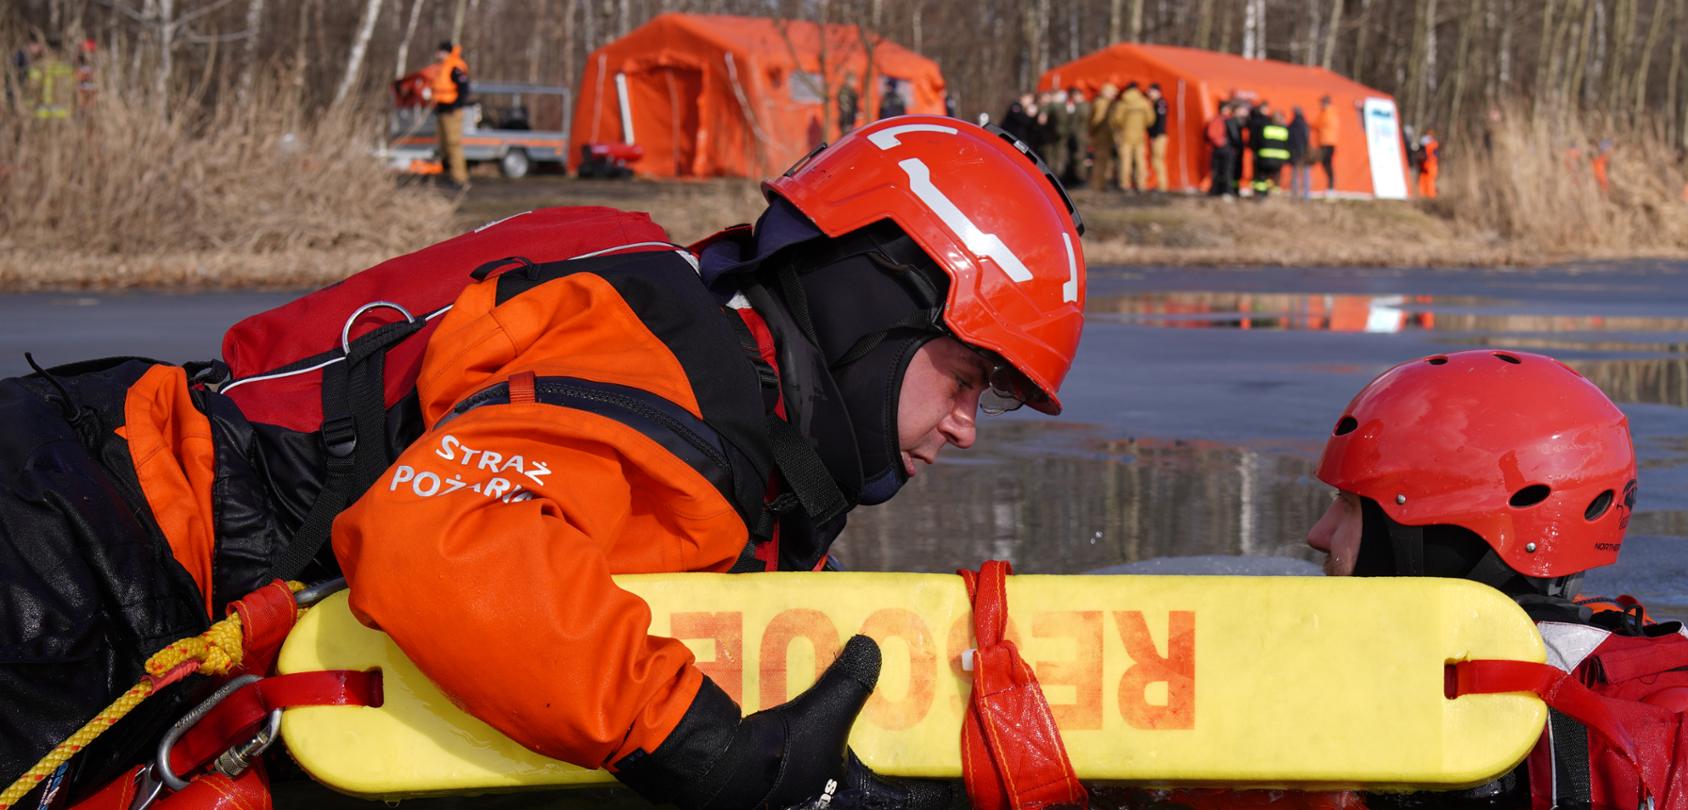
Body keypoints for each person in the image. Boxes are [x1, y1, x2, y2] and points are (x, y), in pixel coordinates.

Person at [0, 116, 1086, 810]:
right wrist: (703, 748)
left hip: (104, 515)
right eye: (967, 378)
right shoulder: (671, 370)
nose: (966, 427)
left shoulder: (725, 389)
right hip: (75, 546)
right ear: (873, 313)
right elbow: (437, 540)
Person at [1307, 349, 1688, 809]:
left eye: (1348, 505)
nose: (1319, 535)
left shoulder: (1467, 715)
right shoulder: (1614, 660)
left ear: (1443, 535)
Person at [424, 40, 472, 188]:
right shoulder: (441, 67)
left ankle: (460, 179)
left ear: (446, 52)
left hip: (451, 112)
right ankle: (448, 175)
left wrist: (454, 106)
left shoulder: (455, 67)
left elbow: (464, 89)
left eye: (440, 52)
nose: (438, 54)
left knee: (453, 145)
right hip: (442, 110)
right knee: (444, 146)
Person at [1112, 83, 1156, 192]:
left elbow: (1117, 120)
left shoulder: (1122, 103)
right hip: (1140, 136)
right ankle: (1141, 185)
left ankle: (1125, 184)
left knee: (1125, 161)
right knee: (1140, 161)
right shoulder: (1144, 103)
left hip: (1125, 136)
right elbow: (1150, 119)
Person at [25, 34, 75, 120]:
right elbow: (73, 91)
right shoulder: (68, 68)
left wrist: (28, 108)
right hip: (64, 114)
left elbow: (32, 90)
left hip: (42, 114)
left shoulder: (38, 67)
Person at [1249, 101, 1290, 198]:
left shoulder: (1265, 127)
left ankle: (1261, 196)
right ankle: (1274, 197)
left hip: (1264, 158)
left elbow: (1258, 141)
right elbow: (1287, 144)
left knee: (1262, 178)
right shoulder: (1284, 130)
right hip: (1279, 160)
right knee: (1275, 178)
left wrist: (1255, 151)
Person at [1088, 83, 1119, 192]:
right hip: (1102, 136)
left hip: (1105, 136)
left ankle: (1101, 183)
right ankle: (1098, 184)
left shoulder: (1105, 103)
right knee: (1101, 161)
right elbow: (1097, 120)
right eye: (1112, 93)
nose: (1114, 95)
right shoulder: (1102, 103)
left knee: (1104, 161)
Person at [1311, 94, 1341, 190]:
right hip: (1327, 142)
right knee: (1326, 163)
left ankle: (1331, 186)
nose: (1320, 105)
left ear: (1325, 103)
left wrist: (1310, 125)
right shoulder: (1331, 112)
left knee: (1326, 163)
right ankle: (1330, 185)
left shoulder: (1327, 113)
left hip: (1327, 142)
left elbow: (1317, 124)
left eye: (1321, 103)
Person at [1146, 83, 1170, 192]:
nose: (1149, 93)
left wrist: (1155, 136)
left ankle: (1162, 185)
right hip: (1157, 135)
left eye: (1151, 91)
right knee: (1155, 160)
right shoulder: (1154, 103)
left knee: (1157, 160)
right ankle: (1159, 184)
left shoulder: (1160, 103)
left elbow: (1161, 121)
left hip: (1159, 136)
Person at [1287, 106, 1312, 199]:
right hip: (1304, 153)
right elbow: (1307, 140)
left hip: (1294, 154)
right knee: (1306, 176)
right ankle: (1306, 197)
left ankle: (1295, 196)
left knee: (1295, 175)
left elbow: (1289, 140)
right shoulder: (1305, 125)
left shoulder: (1291, 126)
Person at [1416, 130, 1439, 199]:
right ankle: (1427, 196)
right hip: (1427, 165)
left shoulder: (1428, 143)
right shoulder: (1433, 143)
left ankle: (1429, 196)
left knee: (1428, 181)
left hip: (1428, 165)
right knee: (1425, 180)